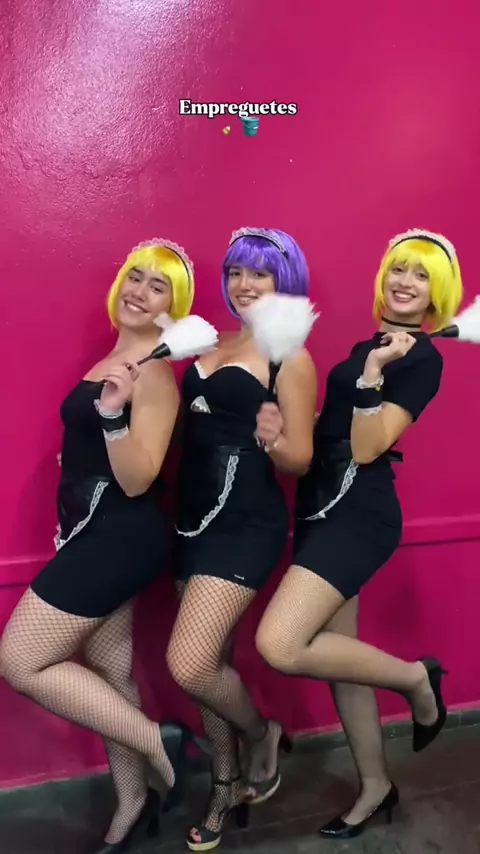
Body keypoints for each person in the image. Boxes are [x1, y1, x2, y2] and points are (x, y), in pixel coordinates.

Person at [254, 228, 463, 838]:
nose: (405, 281)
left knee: (280, 644)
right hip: (318, 506)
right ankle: (376, 787)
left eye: (421, 274)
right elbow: (338, 428)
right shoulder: (369, 347)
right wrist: (288, 425)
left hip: (359, 515)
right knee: (342, 664)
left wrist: (372, 372)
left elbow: (369, 446)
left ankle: (416, 678)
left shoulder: (421, 358)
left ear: (438, 292)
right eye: (399, 268)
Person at [0, 238, 195, 853]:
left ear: (173, 307)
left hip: (120, 537)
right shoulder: (115, 357)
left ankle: (161, 742)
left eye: (158, 286)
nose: (140, 292)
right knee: (110, 672)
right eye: (135, 277)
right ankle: (133, 804)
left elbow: (139, 478)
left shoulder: (154, 372)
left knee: (19, 660)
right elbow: (102, 451)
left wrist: (110, 418)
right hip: (89, 529)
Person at [165, 227, 318, 851]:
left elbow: (300, 459)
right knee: (212, 664)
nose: (244, 284)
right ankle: (225, 784)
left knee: (190, 662)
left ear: (286, 281)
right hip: (191, 516)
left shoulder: (291, 357)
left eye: (259, 273)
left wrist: (274, 439)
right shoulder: (212, 340)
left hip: (246, 523)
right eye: (235, 272)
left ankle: (260, 734)